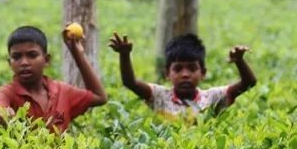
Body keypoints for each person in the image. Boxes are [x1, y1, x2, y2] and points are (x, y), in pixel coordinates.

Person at [109, 32, 256, 121]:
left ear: (203, 73)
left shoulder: (212, 98)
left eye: (192, 69)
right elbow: (130, 83)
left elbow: (248, 82)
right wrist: (124, 55)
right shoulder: (159, 95)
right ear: (167, 73)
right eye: (178, 69)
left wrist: (239, 61)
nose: (185, 74)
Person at [0, 25, 108, 132]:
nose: (24, 62)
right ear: (10, 63)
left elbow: (100, 97)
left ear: (46, 60)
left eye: (32, 55)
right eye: (17, 57)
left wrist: (77, 54)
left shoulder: (62, 91)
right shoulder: (7, 92)